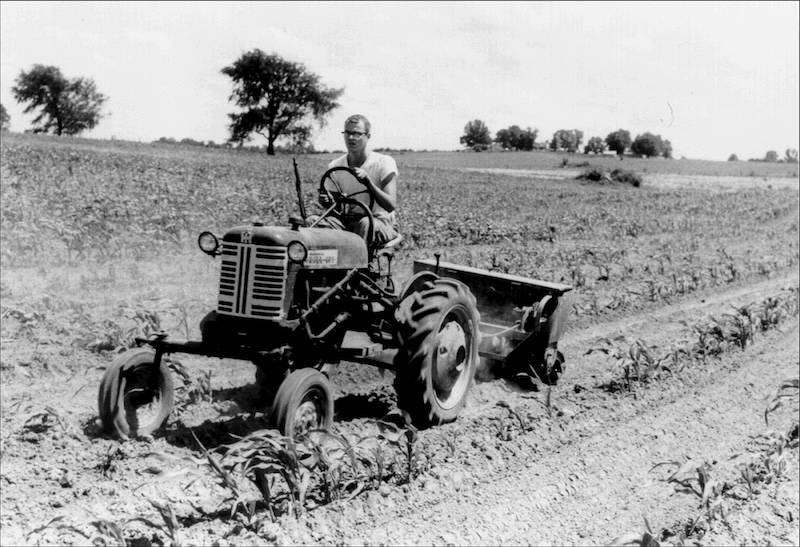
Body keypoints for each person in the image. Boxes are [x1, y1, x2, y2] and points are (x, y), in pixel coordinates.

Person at [312, 114, 399, 246]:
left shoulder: (383, 162)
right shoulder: (335, 166)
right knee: (312, 222)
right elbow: (335, 207)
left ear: (367, 136)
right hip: (346, 222)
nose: (351, 138)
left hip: (379, 222)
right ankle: (319, 265)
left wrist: (369, 183)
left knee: (365, 224)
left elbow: (390, 205)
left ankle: (360, 266)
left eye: (357, 133)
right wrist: (327, 202)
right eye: (347, 133)